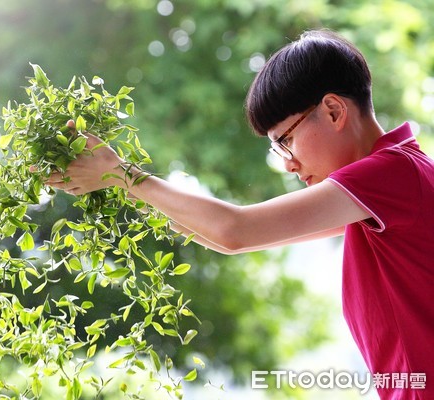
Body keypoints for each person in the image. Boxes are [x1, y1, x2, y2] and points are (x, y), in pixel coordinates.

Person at [47, 29, 434, 400]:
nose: (289, 164)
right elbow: (226, 240)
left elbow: (236, 229)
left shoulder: (392, 174)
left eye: (286, 140)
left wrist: (124, 174)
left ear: (333, 111)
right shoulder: (388, 186)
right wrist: (120, 183)